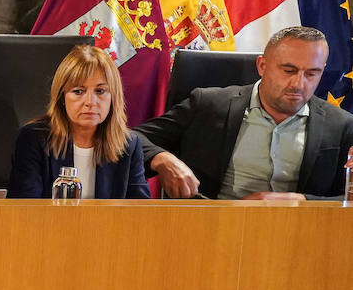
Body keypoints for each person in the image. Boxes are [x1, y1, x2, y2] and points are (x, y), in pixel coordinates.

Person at [134, 26, 353, 200]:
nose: (299, 83)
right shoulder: (208, 105)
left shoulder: (341, 126)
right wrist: (161, 159)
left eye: (312, 74)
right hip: (210, 231)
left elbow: (348, 198)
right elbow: (127, 138)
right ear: (262, 65)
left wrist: (300, 200)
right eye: (289, 70)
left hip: (299, 240)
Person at [7, 44, 149, 198]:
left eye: (100, 91)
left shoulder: (129, 145)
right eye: (78, 91)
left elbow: (139, 214)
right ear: (62, 97)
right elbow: (24, 211)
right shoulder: (33, 139)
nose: (90, 102)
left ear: (113, 97)